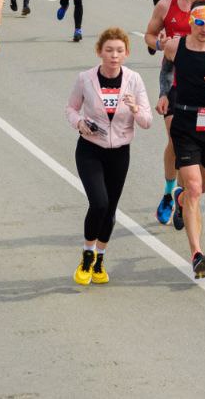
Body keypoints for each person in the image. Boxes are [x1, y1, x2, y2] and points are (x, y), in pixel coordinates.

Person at [157, 0, 205, 278]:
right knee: (193, 188)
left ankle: (180, 200)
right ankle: (196, 254)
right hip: (185, 122)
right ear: (191, 21)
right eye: (200, 22)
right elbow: (166, 70)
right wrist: (164, 94)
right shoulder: (175, 46)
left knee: (200, 188)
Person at [64, 29, 151, 284]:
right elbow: (70, 108)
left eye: (119, 51)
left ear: (126, 54)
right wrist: (79, 123)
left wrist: (135, 109)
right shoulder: (85, 79)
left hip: (120, 153)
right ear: (100, 52)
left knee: (111, 208)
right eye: (109, 50)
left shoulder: (134, 80)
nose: (114, 56)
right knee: (99, 203)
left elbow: (147, 121)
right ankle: (87, 255)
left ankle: (100, 259)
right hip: (90, 149)